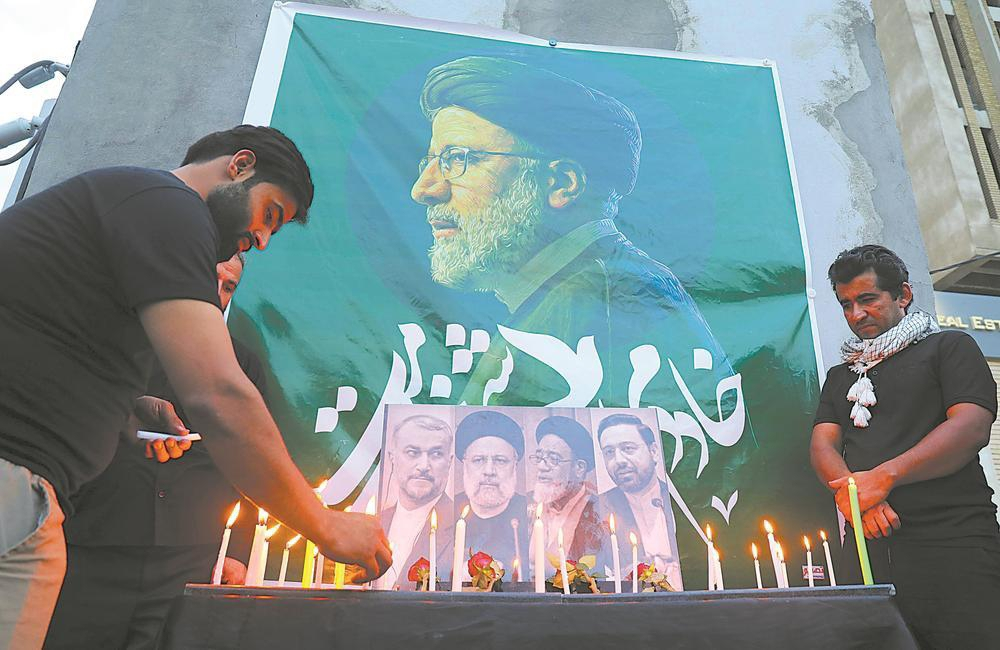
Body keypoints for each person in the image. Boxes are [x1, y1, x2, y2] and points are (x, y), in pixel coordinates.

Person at [0, 125, 390, 649]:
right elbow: (218, 395)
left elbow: (45, 335)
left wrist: (125, 409)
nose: (262, 239)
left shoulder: (131, 207)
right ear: (240, 165)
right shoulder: (169, 205)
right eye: (269, 214)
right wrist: (325, 526)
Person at [409, 56, 734, 416]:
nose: (423, 189)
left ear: (562, 184)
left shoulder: (606, 297)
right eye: (430, 162)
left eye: (458, 159)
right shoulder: (567, 293)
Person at [43, 253, 264, 649]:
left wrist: (238, 551)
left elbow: (251, 461)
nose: (215, 293)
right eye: (209, 277)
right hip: (93, 542)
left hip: (190, 555)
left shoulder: (242, 365)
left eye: (228, 287)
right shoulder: (109, 345)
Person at [810, 244, 999, 649]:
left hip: (955, 543)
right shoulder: (841, 376)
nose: (856, 314)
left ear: (903, 295)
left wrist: (885, 477)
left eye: (868, 299)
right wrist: (859, 497)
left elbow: (971, 427)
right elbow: (823, 445)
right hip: (868, 546)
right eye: (846, 304)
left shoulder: (949, 347)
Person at [596, 413, 683, 590]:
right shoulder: (596, 508)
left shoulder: (682, 501)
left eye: (628, 448)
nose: (619, 461)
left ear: (654, 452)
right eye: (609, 452)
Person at [379, 414, 454, 589]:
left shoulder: (464, 526)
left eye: (436, 454)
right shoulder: (376, 521)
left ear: (449, 462)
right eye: (412, 453)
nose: (423, 466)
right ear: (392, 457)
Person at [453, 410, 529, 577]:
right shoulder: (448, 512)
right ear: (465, 464)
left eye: (500, 460)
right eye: (478, 460)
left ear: (515, 465)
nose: (489, 471)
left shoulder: (531, 514)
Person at [529, 415, 602, 562]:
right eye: (539, 457)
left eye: (553, 459)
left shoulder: (599, 510)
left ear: (579, 468)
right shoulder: (526, 502)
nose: (541, 466)